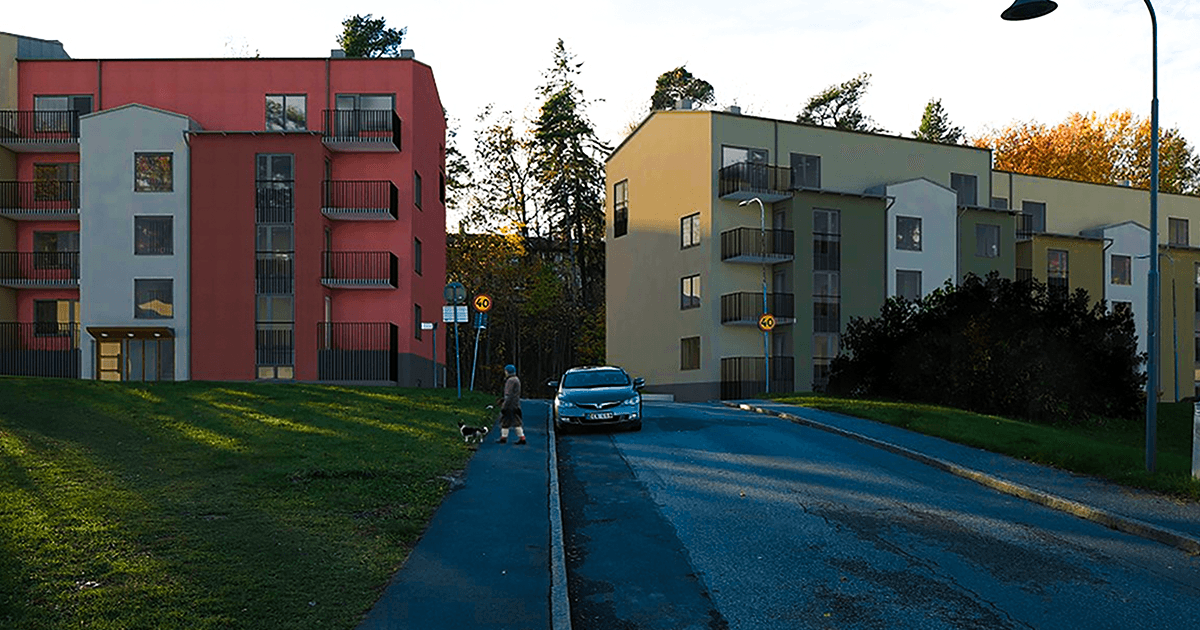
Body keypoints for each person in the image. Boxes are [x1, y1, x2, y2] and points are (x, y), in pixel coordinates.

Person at [496, 364, 525, 445]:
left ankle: (504, 437)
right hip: (516, 404)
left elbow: (508, 394)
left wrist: (504, 405)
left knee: (505, 421)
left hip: (509, 405)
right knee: (516, 421)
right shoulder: (516, 379)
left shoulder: (510, 381)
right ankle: (522, 437)